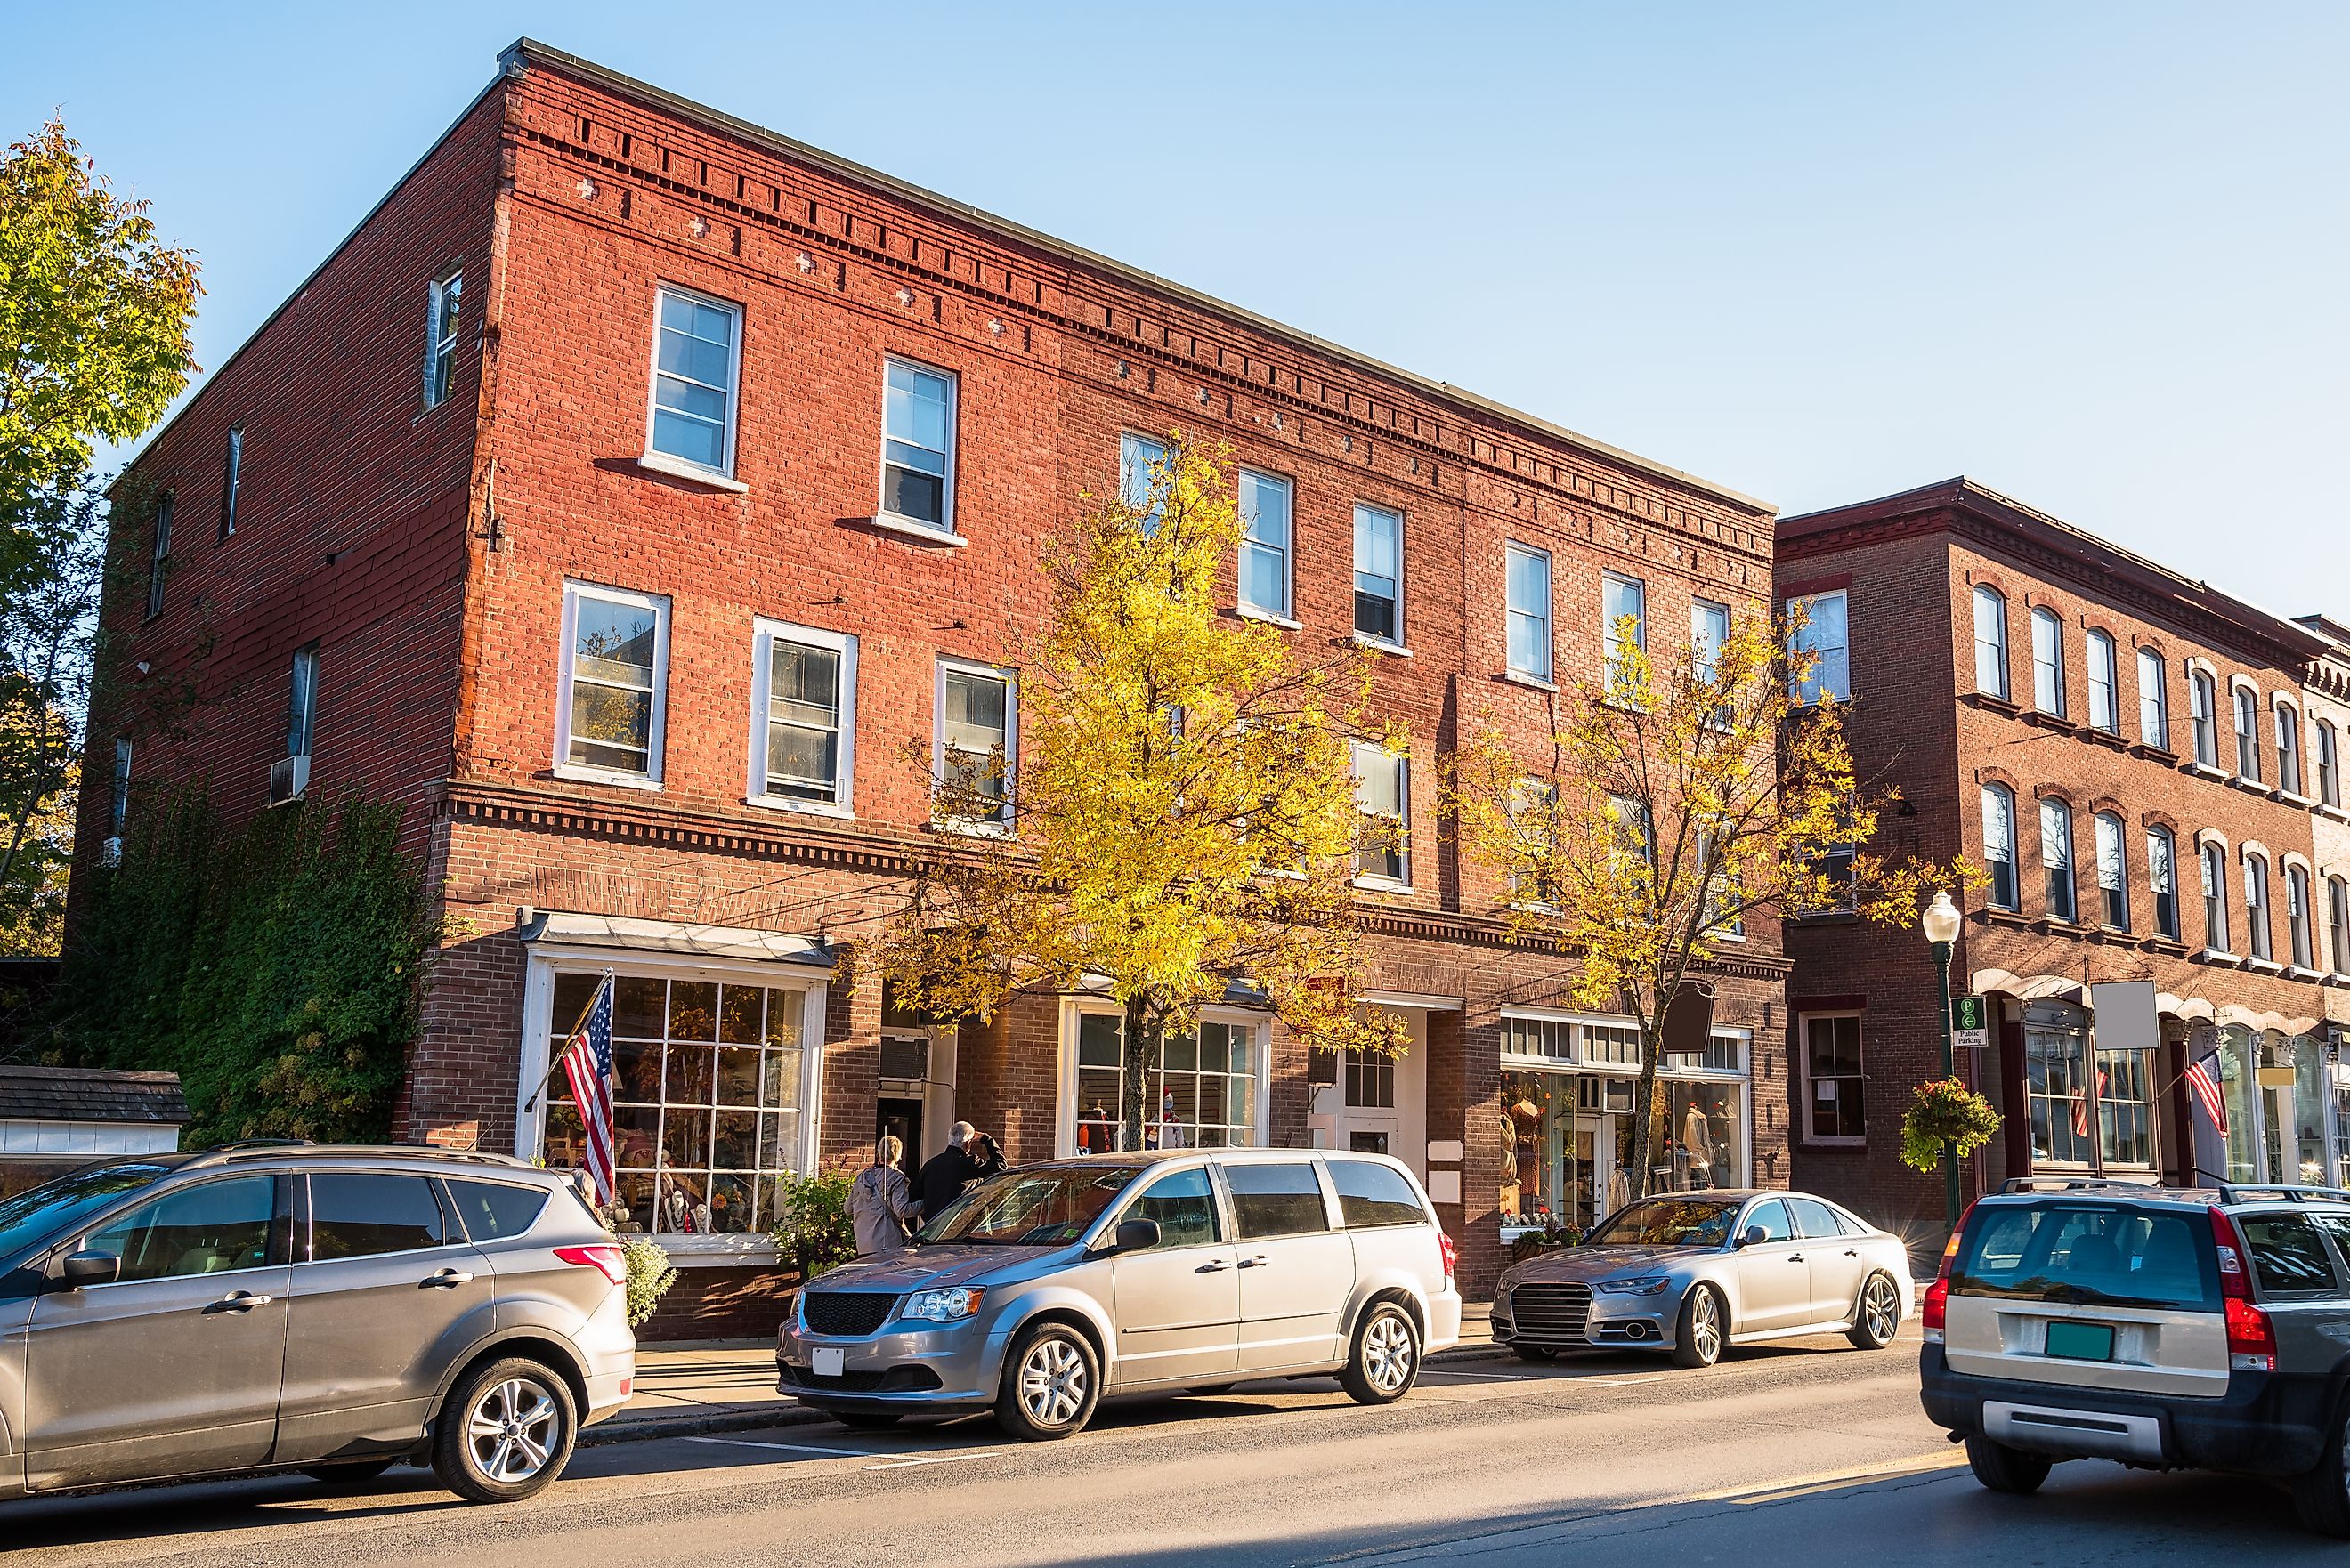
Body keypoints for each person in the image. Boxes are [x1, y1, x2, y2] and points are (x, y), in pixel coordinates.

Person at [847, 1136, 921, 1256]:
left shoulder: (862, 1177)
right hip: (887, 1244)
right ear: (898, 1154)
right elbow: (902, 1210)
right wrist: (927, 1203)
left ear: (879, 1152)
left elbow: (848, 1209)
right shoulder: (896, 1177)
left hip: (863, 1246)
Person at [916, 1121, 980, 1222]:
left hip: (932, 1229)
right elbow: (1001, 1165)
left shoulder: (930, 1165)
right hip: (957, 1227)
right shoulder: (969, 1163)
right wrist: (986, 1138)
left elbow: (916, 1197)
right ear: (968, 1144)